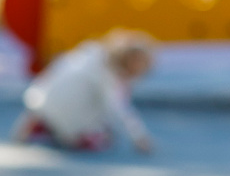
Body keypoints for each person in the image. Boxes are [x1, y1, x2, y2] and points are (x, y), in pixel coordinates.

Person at [14, 29, 156, 155]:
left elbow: (48, 77)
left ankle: (44, 127)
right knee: (105, 139)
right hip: (72, 120)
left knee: (74, 105)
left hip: (40, 102)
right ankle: (65, 135)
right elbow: (117, 109)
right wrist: (139, 136)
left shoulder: (87, 53)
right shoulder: (107, 76)